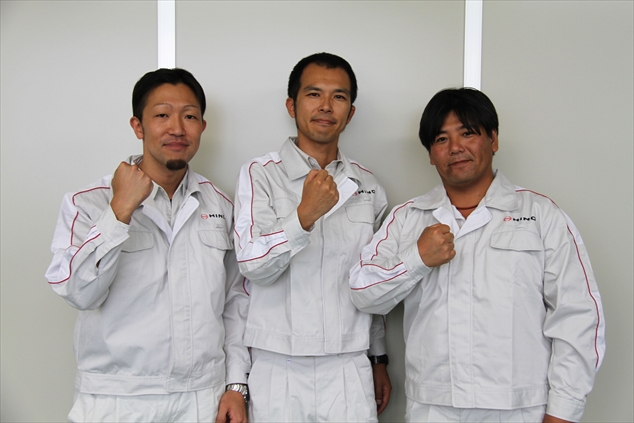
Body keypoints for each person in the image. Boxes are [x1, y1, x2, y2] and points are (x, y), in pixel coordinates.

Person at [349, 88, 605, 423]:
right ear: (430, 154)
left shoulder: (541, 214)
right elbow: (363, 295)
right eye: (441, 139)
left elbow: (577, 316)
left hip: (520, 407)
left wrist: (563, 411)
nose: (455, 148)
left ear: (493, 140)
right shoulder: (408, 218)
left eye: (467, 133)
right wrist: (417, 260)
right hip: (434, 407)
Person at [45, 68, 250, 423]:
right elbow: (78, 291)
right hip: (116, 398)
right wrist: (120, 210)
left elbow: (235, 301)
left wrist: (236, 385)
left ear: (202, 126)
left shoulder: (220, 205)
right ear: (138, 126)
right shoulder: (88, 203)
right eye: (161, 115)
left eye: (189, 116)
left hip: (203, 397)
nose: (177, 128)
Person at [233, 52, 391, 422]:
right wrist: (303, 216)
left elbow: (373, 280)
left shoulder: (367, 185)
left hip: (348, 364)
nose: (325, 106)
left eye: (339, 97)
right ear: (291, 105)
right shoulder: (261, 175)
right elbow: (253, 266)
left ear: (350, 112)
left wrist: (378, 358)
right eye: (313, 94)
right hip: (277, 364)